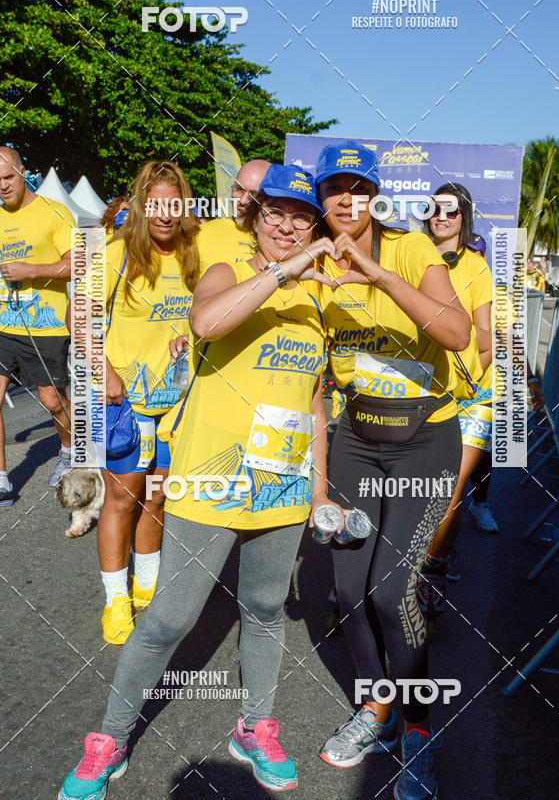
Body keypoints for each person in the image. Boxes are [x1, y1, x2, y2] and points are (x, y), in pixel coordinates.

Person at [59, 163, 336, 799]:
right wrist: (282, 272)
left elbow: (315, 402)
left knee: (265, 610)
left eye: (302, 218)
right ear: (255, 218)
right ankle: (109, 739)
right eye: (275, 214)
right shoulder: (229, 270)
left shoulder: (322, 295)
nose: (288, 227)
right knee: (169, 619)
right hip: (211, 478)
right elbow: (207, 323)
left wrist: (320, 491)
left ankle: (255, 726)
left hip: (284, 482)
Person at [311, 141, 471, 800]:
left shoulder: (410, 251)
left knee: (392, 593)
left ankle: (416, 731)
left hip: (424, 444)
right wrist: (318, 484)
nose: (347, 200)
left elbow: (458, 333)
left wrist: (376, 277)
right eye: (335, 189)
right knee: (349, 592)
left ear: (376, 196)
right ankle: (375, 709)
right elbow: (314, 387)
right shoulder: (311, 268)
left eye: (359, 188)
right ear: (321, 199)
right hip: (356, 442)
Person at [68, 160, 201, 643]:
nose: (165, 214)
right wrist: (104, 371)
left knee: (157, 496)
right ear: (142, 205)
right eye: (156, 204)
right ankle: (115, 599)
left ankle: (147, 586)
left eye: (174, 204)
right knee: (121, 501)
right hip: (126, 404)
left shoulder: (194, 254)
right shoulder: (118, 251)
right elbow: (76, 314)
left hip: (176, 404)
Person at [416, 184, 496, 626]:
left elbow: (485, 335)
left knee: (449, 489)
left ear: (464, 217)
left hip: (475, 390)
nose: (441, 217)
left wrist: (463, 352)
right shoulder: (410, 255)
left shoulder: (477, 266)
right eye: (434, 210)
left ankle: (434, 569)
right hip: (426, 388)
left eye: (451, 211)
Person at [0, 146, 75, 504]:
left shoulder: (53, 212)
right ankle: (1, 478)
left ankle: (68, 449)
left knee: (52, 401)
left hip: (45, 326)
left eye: (8, 177)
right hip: (3, 326)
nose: (2, 186)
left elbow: (79, 264)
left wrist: (31, 271)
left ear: (23, 171)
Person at [196, 158, 271, 272]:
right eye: (239, 190)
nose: (243, 201)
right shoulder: (200, 234)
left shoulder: (280, 242)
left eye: (253, 194)